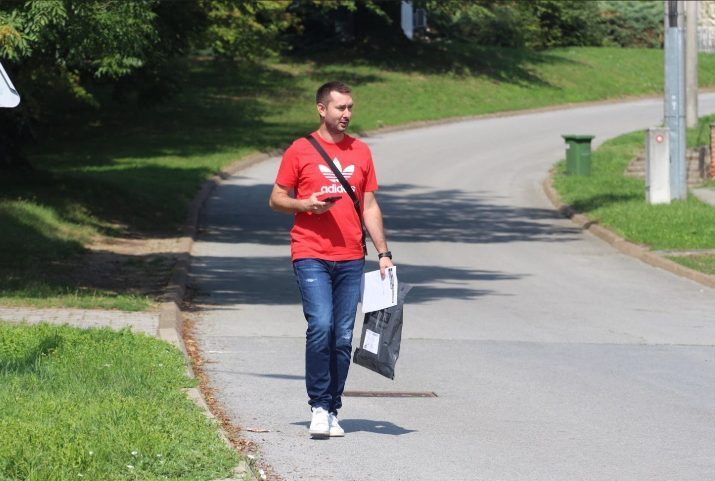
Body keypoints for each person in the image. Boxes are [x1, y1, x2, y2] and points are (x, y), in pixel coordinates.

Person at [269, 81, 394, 439]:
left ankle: (332, 407)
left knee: (342, 336)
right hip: (310, 252)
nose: (347, 114)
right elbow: (276, 198)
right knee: (321, 325)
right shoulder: (300, 150)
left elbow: (369, 205)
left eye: (350, 107)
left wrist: (384, 254)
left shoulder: (361, 151)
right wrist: (304, 204)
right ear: (322, 109)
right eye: (340, 107)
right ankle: (318, 407)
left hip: (351, 256)